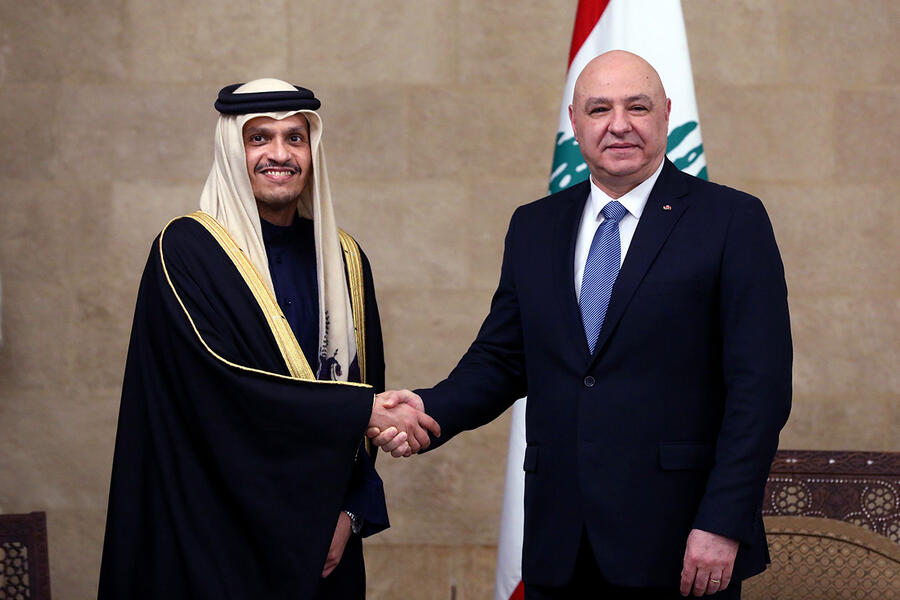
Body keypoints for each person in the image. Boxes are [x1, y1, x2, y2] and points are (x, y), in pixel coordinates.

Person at [371, 51, 791, 599]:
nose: (619, 125)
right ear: (575, 121)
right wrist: (428, 410)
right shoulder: (535, 225)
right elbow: (503, 359)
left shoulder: (731, 220)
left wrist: (722, 521)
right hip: (559, 540)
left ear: (666, 114)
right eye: (600, 109)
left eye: (636, 107)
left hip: (679, 539)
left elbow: (759, 390)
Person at [98, 79, 438, 599]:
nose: (279, 155)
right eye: (259, 138)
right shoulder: (187, 250)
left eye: (294, 138)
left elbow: (365, 386)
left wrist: (350, 512)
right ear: (233, 149)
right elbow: (218, 391)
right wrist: (364, 412)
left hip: (327, 542)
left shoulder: (343, 259)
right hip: (216, 537)